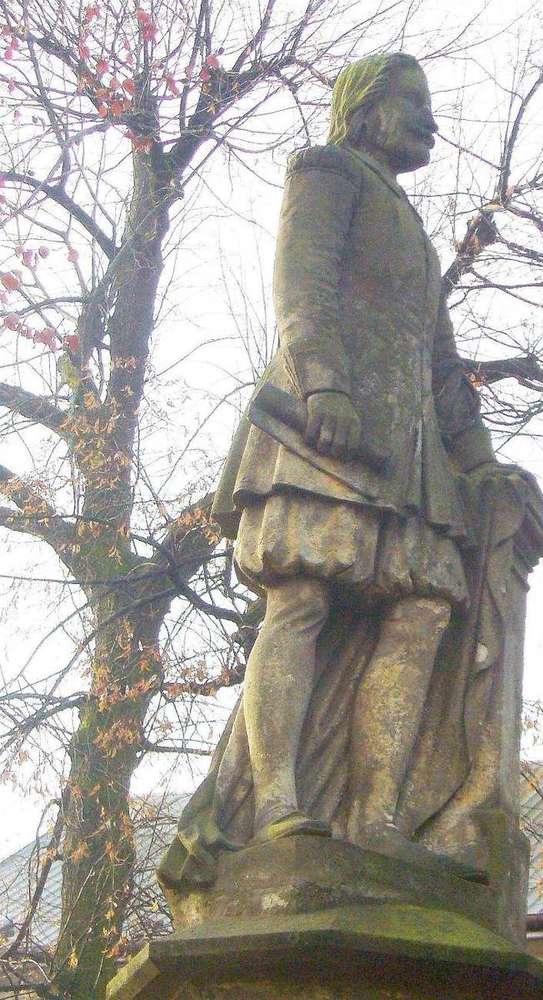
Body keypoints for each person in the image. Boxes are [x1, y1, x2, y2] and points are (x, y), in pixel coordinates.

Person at [160, 52, 500, 886]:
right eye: (413, 101)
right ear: (367, 106)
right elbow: (300, 285)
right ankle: (276, 801)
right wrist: (324, 384)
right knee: (303, 596)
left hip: (410, 460)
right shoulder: (326, 171)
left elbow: (440, 363)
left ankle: (375, 817)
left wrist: (481, 461)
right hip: (325, 430)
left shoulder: (415, 230)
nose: (430, 120)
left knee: (422, 610)